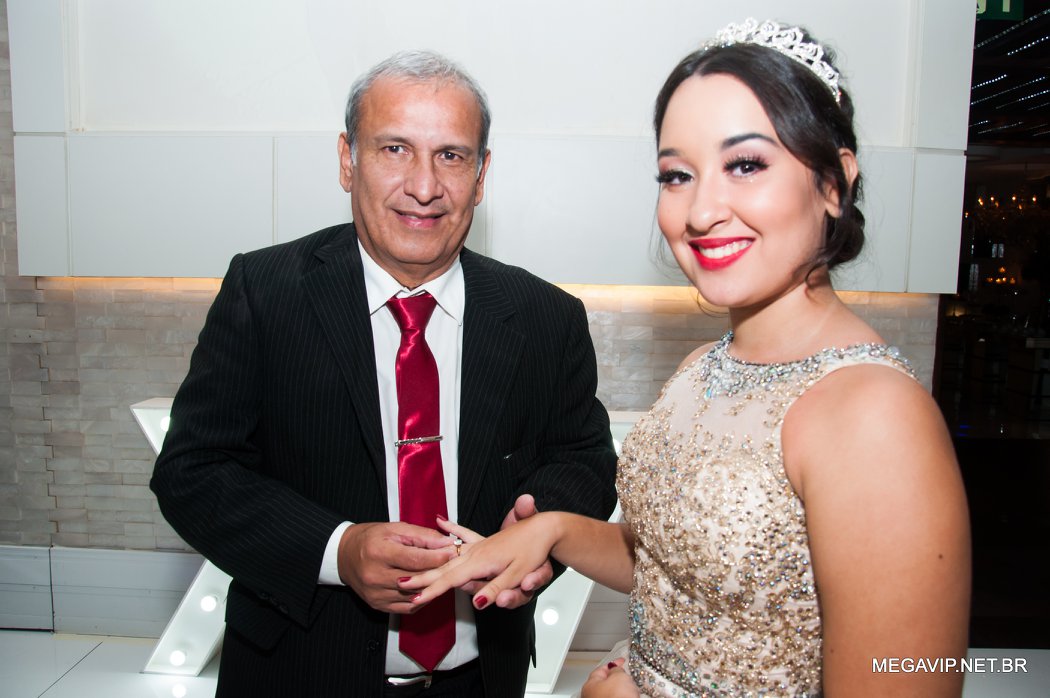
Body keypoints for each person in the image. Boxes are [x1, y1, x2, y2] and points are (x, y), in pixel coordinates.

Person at [403, 19, 971, 697]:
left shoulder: (875, 418)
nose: (701, 211)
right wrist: (551, 530)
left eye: (746, 165)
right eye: (677, 175)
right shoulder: (703, 367)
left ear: (833, 182)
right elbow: (678, 568)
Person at [150, 50, 618, 697]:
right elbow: (192, 471)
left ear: (481, 175)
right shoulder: (264, 293)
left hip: (480, 681)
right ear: (348, 160)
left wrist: (538, 529)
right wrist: (337, 551)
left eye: (451, 155)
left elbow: (583, 457)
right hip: (299, 677)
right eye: (395, 149)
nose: (424, 186)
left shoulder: (546, 316)